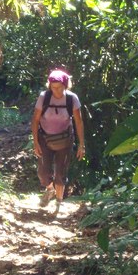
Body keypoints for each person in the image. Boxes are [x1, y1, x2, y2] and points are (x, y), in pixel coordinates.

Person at [31, 69, 85, 208]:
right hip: (45, 138)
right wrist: (35, 142)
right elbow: (35, 120)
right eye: (53, 88)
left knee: (60, 173)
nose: (56, 91)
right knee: (43, 172)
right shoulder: (44, 97)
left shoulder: (72, 99)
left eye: (59, 88)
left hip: (65, 139)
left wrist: (81, 145)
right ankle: (50, 190)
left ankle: (59, 203)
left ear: (66, 86)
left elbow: (78, 122)